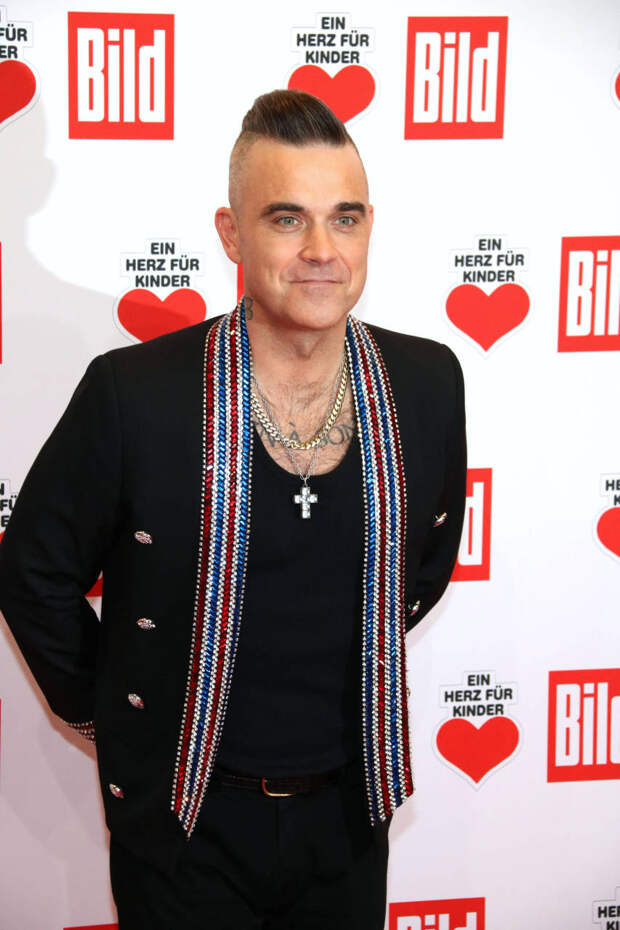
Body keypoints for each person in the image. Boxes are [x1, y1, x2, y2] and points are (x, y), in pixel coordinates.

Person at [0, 90, 466, 929]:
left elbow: (424, 567)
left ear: (369, 228)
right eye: (287, 219)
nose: (321, 250)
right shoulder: (135, 394)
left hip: (350, 821)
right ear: (231, 234)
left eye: (346, 218)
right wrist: (121, 714)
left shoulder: (428, 383)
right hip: (184, 827)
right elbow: (32, 574)